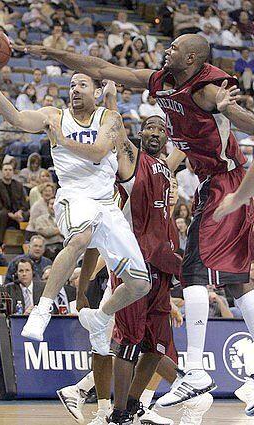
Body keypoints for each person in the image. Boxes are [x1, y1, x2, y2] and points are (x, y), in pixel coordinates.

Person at [18, 33, 254, 416]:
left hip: (177, 241)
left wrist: (232, 111)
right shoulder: (132, 156)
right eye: (151, 129)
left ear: (192, 58)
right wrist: (51, 53)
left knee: (160, 336)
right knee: (134, 336)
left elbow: (236, 124)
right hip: (135, 257)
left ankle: (142, 401)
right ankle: (116, 406)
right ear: (139, 136)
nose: (157, 131)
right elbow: (103, 74)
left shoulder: (187, 131)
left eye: (176, 47)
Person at [0, 55, 151, 363]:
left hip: (106, 203)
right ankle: (43, 307)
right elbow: (16, 118)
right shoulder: (53, 114)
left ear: (95, 90)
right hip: (74, 196)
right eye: (71, 85)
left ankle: (100, 316)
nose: (75, 89)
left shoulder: (109, 118)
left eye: (81, 84)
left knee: (140, 284)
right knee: (79, 238)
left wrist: (61, 141)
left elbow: (100, 152)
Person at [0, 163, 29, 245]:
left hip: (17, 214)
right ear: (2, 172)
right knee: (2, 214)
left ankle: (27, 242)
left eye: (10, 170)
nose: (8, 172)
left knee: (29, 214)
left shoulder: (19, 185)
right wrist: (11, 215)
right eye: (6, 170)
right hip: (2, 214)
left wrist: (20, 212)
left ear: (13, 172)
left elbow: (24, 204)